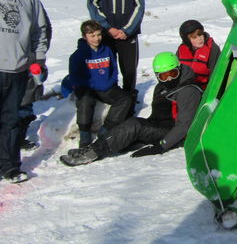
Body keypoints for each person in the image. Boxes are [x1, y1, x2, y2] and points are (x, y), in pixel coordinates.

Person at [59, 52, 202, 166]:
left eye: (173, 73)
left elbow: (184, 125)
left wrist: (161, 145)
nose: (169, 79)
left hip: (172, 132)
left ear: (179, 69)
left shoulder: (187, 90)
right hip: (161, 125)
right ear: (158, 77)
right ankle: (95, 147)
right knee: (127, 130)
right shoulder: (163, 87)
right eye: (164, 76)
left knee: (135, 125)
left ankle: (91, 153)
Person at [0, 0, 49, 183]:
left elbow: (40, 28)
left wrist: (39, 58)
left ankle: (9, 166)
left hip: (17, 69)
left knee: (11, 120)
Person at [87, 0, 145, 100]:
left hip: (127, 34)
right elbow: (92, 3)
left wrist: (127, 30)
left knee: (129, 70)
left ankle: (129, 100)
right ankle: (109, 100)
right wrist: (107, 28)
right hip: (106, 32)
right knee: (106, 69)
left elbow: (140, 5)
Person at [67, 20, 134, 148]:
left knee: (125, 99)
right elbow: (74, 77)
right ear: (84, 36)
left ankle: (106, 130)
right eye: (92, 36)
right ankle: (85, 136)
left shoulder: (107, 50)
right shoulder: (77, 55)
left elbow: (114, 69)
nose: (96, 39)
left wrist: (111, 82)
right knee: (86, 101)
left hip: (106, 87)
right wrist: (91, 84)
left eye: (99, 35)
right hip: (88, 87)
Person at [176, 19, 221, 89]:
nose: (199, 39)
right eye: (195, 37)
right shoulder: (181, 51)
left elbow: (217, 73)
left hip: (206, 89)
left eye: (200, 35)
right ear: (187, 40)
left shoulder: (212, 49)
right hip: (186, 88)